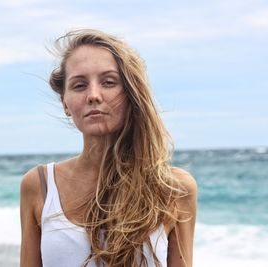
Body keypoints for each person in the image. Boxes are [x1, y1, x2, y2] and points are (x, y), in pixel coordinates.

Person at [20, 29, 197, 267]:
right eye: (80, 85)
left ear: (131, 93)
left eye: (109, 82)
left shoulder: (173, 188)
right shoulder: (40, 184)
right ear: (65, 102)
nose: (93, 95)